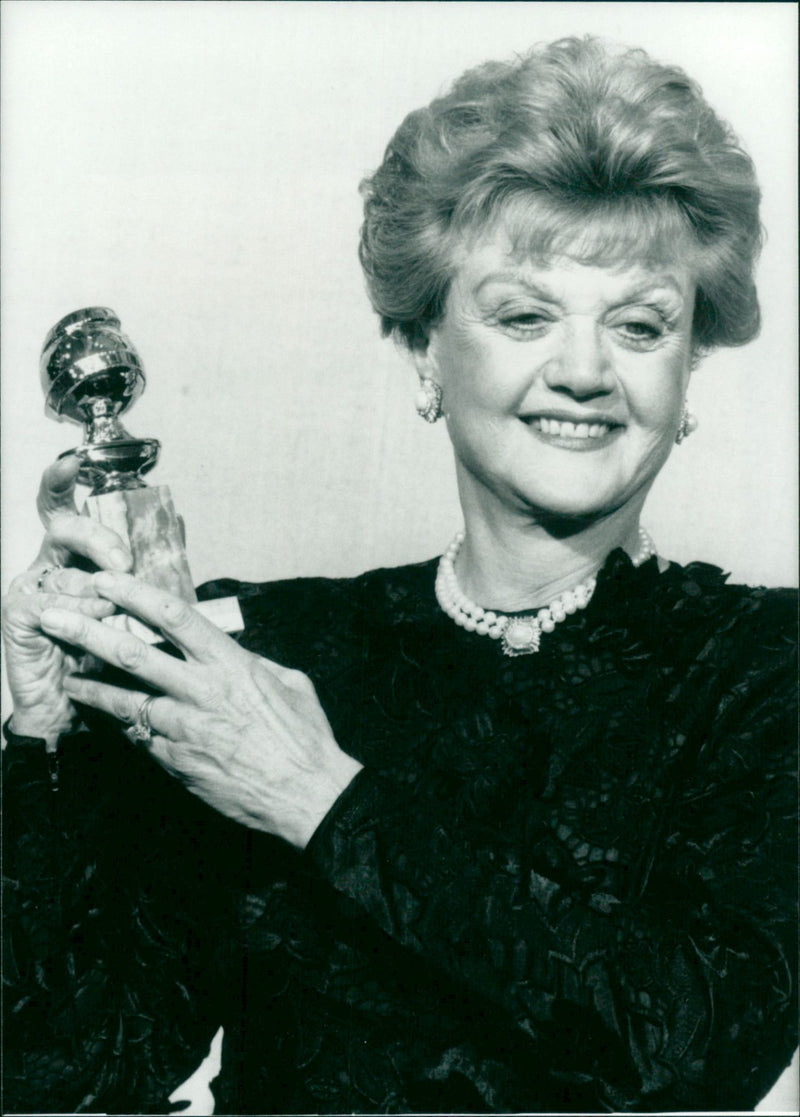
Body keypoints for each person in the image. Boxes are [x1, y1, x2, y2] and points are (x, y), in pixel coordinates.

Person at [2, 35, 796, 1115]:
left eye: (638, 324)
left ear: (687, 366)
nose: (581, 370)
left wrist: (316, 795)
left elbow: (696, 1041)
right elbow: (68, 1069)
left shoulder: (760, 670)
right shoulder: (270, 663)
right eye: (523, 314)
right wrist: (49, 739)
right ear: (423, 344)